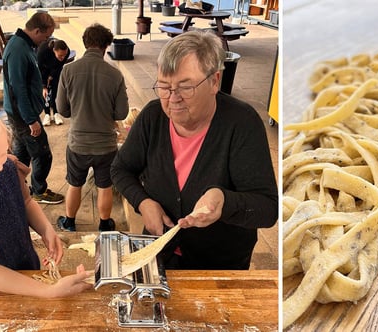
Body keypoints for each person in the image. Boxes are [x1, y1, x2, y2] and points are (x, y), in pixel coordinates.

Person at [110, 30, 278, 270]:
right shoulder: (153, 117)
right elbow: (121, 169)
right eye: (164, 87)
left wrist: (224, 201)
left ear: (214, 81)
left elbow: (268, 209)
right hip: (161, 253)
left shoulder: (242, 124)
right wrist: (144, 202)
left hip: (219, 265)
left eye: (185, 87)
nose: (172, 98)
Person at [0, 100, 92, 297]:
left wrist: (46, 230)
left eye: (2, 154)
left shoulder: (7, 168)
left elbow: (27, 202)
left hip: (24, 268)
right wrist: (50, 291)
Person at [55, 23, 129, 232]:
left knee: (74, 183)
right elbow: (121, 114)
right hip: (106, 145)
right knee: (104, 185)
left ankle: (69, 222)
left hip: (77, 144)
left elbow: (62, 109)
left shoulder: (68, 70)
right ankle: (105, 224)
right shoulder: (115, 75)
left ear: (85, 43)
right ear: (106, 46)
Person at [2, 12, 64, 205]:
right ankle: (39, 191)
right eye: (45, 37)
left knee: (21, 155)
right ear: (37, 30)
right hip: (22, 115)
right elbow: (17, 88)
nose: (46, 41)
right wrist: (31, 120)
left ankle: (14, 189)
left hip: (22, 112)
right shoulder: (19, 50)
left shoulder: (23, 44)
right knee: (42, 153)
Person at [37, 38, 70, 126]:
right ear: (54, 50)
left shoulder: (67, 52)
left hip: (56, 71)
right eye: (60, 56)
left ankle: (56, 113)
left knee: (56, 90)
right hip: (44, 69)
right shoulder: (42, 51)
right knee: (46, 93)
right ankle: (47, 114)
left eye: (64, 55)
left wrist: (51, 75)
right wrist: (44, 85)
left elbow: (60, 65)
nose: (62, 57)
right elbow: (40, 68)